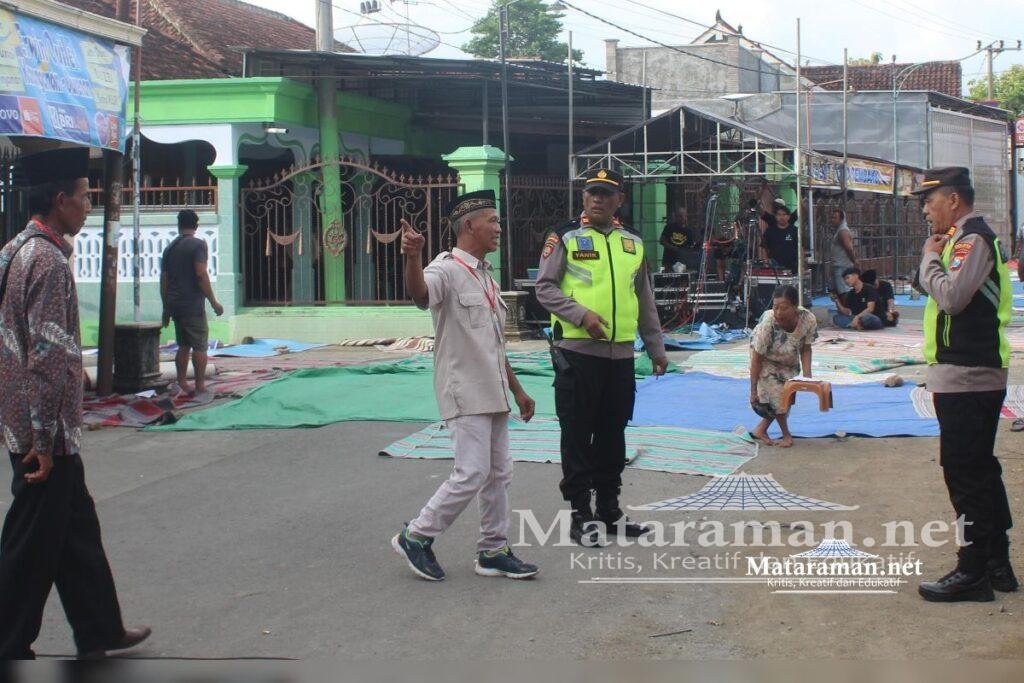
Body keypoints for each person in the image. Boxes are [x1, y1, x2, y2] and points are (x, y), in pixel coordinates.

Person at [0, 148, 151, 659]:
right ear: (60, 200)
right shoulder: (47, 260)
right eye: (85, 196)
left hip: (29, 416)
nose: (91, 205)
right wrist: (43, 439)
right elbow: (45, 353)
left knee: (76, 531)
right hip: (45, 430)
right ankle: (7, 639)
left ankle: (100, 627)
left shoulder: (14, 249)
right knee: (31, 539)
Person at [391, 190, 539, 582]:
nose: (498, 227)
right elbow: (421, 295)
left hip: (493, 391)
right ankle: (416, 535)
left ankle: (493, 549)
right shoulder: (447, 269)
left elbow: (493, 344)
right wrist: (412, 256)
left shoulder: (486, 277)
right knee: (472, 471)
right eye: (492, 220)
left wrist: (518, 390)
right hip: (464, 388)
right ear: (469, 225)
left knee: (498, 474)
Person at [535, 168, 668, 546]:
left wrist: (656, 348)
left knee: (613, 434)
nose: (598, 199)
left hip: (621, 356)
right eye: (592, 193)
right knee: (577, 434)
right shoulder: (564, 237)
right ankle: (580, 513)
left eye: (606, 194)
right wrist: (582, 315)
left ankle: (609, 509)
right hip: (577, 355)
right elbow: (544, 289)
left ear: (618, 200)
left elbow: (644, 299)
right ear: (583, 198)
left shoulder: (633, 243)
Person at [913, 167, 1017, 602]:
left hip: (968, 375)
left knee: (964, 473)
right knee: (979, 469)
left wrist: (928, 258)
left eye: (930, 201)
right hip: (969, 373)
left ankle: (972, 569)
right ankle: (996, 564)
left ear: (953, 200)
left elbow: (952, 298)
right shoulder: (963, 238)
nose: (925, 209)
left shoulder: (970, 239)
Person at [160, 209, 223, 396]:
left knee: (183, 345)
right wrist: (213, 302)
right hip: (193, 304)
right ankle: (200, 385)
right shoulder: (198, 246)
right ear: (196, 226)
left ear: (179, 225)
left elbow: (164, 279)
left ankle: (181, 382)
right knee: (200, 345)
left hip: (175, 304)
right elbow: (201, 274)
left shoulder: (169, 248)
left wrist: (166, 308)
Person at [748, 285, 817, 448]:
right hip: (765, 360)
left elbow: (806, 349)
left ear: (795, 307)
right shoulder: (768, 323)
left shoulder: (808, 319)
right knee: (779, 397)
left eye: (784, 308)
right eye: (775, 307)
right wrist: (753, 391)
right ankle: (787, 435)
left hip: (789, 360)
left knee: (788, 398)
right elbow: (756, 359)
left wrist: (807, 376)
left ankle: (760, 430)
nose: (778, 312)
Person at [760, 204, 799, 272]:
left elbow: (801, 248)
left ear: (789, 216)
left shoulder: (795, 230)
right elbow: (763, 247)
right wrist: (766, 262)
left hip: (792, 268)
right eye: (779, 214)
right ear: (775, 216)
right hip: (774, 269)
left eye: (784, 214)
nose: (781, 217)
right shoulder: (769, 231)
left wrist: (803, 265)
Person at [829, 209, 859, 294]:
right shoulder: (839, 230)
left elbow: (849, 248)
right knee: (837, 291)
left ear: (841, 219)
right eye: (831, 218)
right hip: (838, 265)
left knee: (844, 291)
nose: (832, 220)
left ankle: (847, 307)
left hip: (842, 266)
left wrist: (854, 260)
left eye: (835, 218)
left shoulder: (843, 231)